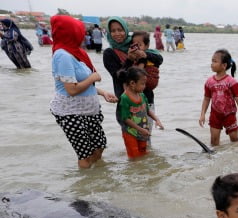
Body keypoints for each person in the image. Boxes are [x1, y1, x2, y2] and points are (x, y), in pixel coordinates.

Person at [49, 14, 118, 168]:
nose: (83, 35)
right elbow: (72, 89)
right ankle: (86, 186)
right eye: (79, 31)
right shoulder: (62, 55)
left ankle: (95, 180)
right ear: (70, 33)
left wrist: (102, 92)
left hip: (89, 110)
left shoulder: (77, 52)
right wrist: (93, 77)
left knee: (99, 146)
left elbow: (83, 84)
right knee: (85, 154)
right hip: (71, 113)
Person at [199, 49, 238, 146]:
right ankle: (216, 159)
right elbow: (206, 99)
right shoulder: (209, 82)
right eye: (212, 61)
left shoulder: (232, 82)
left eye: (215, 61)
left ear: (224, 65)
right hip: (215, 115)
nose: (212, 64)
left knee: (234, 141)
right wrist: (202, 114)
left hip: (229, 115)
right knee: (214, 142)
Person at [117, 67, 164, 158]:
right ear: (132, 83)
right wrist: (141, 130)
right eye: (142, 84)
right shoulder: (125, 98)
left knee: (143, 155)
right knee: (134, 157)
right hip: (130, 133)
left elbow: (147, 110)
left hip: (143, 132)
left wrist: (157, 120)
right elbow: (126, 119)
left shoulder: (142, 95)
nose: (144, 86)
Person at [130, 31, 163, 134]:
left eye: (140, 45)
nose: (137, 48)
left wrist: (145, 55)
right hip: (132, 102)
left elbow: (160, 59)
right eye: (135, 45)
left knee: (146, 133)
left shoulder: (151, 56)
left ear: (147, 45)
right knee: (135, 133)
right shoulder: (131, 58)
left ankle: (147, 149)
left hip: (147, 100)